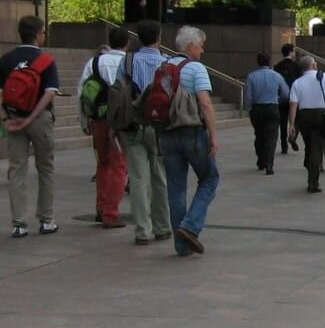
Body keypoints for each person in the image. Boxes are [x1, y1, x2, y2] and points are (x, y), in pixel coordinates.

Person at [158, 26, 221, 257]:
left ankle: (181, 245)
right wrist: (213, 136)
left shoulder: (163, 66)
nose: (202, 51)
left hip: (167, 133)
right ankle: (191, 225)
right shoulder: (195, 68)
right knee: (210, 179)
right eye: (201, 46)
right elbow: (205, 103)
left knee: (176, 188)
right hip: (192, 132)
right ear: (191, 46)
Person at [2, 15, 60, 237]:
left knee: (16, 169)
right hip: (40, 119)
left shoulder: (7, 59)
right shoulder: (46, 60)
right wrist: (32, 117)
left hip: (14, 118)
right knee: (45, 168)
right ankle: (46, 220)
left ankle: (18, 223)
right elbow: (50, 93)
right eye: (43, 32)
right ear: (37, 34)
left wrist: (6, 118)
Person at [126, 20, 174, 246]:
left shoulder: (128, 61)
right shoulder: (167, 63)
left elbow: (120, 91)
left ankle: (142, 230)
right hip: (159, 126)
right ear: (159, 38)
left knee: (138, 178)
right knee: (160, 176)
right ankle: (162, 226)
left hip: (134, 124)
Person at [79, 26, 129, 228]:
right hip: (120, 121)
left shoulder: (94, 62)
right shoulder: (128, 63)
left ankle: (101, 207)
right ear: (127, 43)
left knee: (103, 162)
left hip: (98, 119)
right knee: (119, 166)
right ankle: (111, 213)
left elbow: (82, 92)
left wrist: (84, 120)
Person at [287, 58, 325, 192]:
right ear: (314, 65)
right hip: (321, 116)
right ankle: (313, 182)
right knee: (317, 148)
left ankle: (308, 164)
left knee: (309, 145)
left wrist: (292, 124)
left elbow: (293, 105)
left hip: (304, 117)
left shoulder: (297, 82)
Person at [243, 51, 289, 174]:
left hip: (257, 108)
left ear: (258, 62)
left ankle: (261, 159)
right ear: (269, 61)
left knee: (259, 135)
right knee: (271, 137)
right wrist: (277, 99)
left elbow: (248, 96)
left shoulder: (251, 76)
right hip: (272, 108)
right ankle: (269, 164)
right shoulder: (277, 76)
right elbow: (286, 94)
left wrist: (249, 108)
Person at [272, 43, 300, 154]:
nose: (295, 53)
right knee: (296, 120)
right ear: (291, 52)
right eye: (294, 51)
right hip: (294, 98)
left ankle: (284, 144)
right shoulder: (297, 66)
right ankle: (292, 136)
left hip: (282, 98)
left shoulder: (277, 66)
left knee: (282, 122)